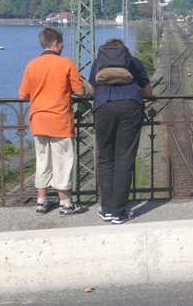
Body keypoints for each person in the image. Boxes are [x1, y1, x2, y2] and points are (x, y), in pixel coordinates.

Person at [18, 26, 88, 216]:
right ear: (56, 43)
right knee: (63, 162)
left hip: (38, 119)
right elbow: (80, 92)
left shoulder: (31, 65)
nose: (63, 47)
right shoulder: (66, 64)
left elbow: (23, 95)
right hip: (60, 120)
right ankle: (65, 203)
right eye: (62, 44)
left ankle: (41, 202)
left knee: (42, 161)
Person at [87, 38, 153, 224]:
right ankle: (119, 211)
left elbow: (91, 91)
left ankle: (106, 208)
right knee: (124, 158)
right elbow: (148, 92)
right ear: (124, 51)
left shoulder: (97, 63)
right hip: (131, 108)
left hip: (104, 108)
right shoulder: (134, 62)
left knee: (106, 158)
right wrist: (131, 93)